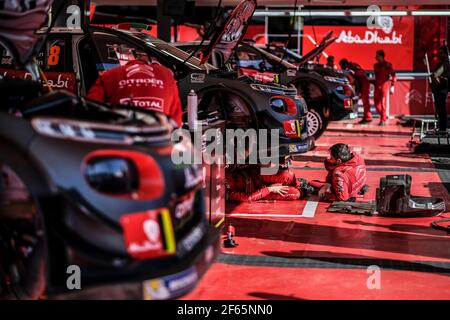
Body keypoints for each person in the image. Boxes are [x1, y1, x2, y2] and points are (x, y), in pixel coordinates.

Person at [86, 50, 183, 127]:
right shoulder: (166, 74)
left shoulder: (109, 74)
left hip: (121, 138)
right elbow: (177, 121)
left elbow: (90, 109)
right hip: (156, 140)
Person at [225, 165, 313, 202]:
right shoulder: (222, 193)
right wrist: (270, 189)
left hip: (256, 175)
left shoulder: (216, 170)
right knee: (295, 194)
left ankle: (299, 183)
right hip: (259, 191)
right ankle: (303, 189)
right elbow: (248, 197)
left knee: (288, 175)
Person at [340, 59, 372, 124]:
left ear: (345, 64)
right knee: (349, 98)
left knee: (365, 102)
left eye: (342, 66)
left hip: (363, 84)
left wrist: (353, 73)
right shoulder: (348, 70)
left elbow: (361, 73)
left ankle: (368, 118)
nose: (341, 67)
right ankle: (354, 115)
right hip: (358, 85)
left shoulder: (353, 67)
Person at [373, 50, 396, 126]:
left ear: (381, 56)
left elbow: (393, 75)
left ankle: (382, 119)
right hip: (377, 85)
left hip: (384, 85)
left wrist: (392, 85)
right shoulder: (375, 66)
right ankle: (384, 115)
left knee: (383, 103)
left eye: (377, 55)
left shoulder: (388, 65)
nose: (375, 57)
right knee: (376, 103)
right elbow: (376, 77)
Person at [431, 46, 450, 133]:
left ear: (445, 54)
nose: (439, 55)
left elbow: (437, 73)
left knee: (441, 109)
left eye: (441, 53)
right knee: (439, 109)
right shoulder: (440, 63)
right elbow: (435, 74)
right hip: (438, 89)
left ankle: (443, 128)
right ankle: (441, 127)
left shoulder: (445, 63)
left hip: (443, 89)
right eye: (439, 53)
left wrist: (435, 75)